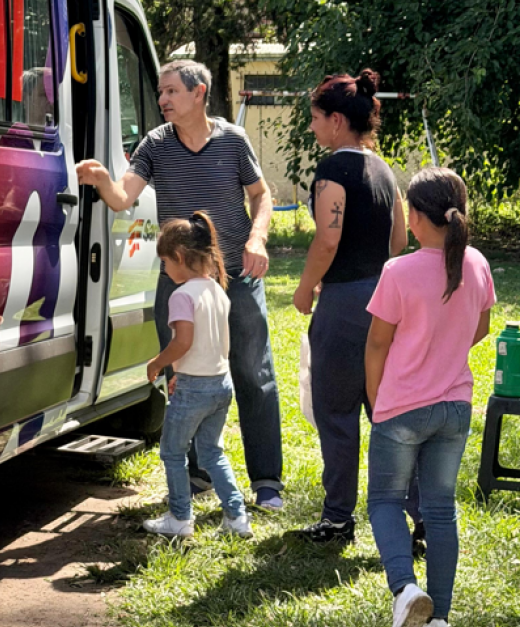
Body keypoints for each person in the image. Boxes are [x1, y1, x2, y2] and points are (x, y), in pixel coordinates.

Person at [76, 60, 284, 509]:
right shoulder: (155, 143)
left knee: (253, 373)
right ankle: (196, 475)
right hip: (181, 282)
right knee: (183, 375)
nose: (163, 100)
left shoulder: (232, 139)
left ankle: (267, 483)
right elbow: (121, 199)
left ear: (199, 93)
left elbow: (261, 195)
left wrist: (257, 237)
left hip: (238, 274)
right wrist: (100, 181)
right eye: (160, 92)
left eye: (171, 91)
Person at [365, 168, 494, 627]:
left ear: (416, 217)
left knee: (384, 502)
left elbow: (377, 343)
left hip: (401, 407)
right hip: (454, 407)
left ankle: (404, 591)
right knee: (440, 510)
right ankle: (439, 622)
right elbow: (478, 328)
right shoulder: (477, 264)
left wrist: (378, 404)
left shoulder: (398, 271)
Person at [292, 70, 407, 543]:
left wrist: (305, 289)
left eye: (316, 119)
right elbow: (399, 239)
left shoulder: (333, 169)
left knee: (337, 414)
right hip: (386, 299)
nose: (314, 128)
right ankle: (416, 518)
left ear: (337, 121)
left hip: (342, 306)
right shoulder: (383, 169)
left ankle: (338, 517)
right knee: (392, 412)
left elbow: (327, 238)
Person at [143, 211, 252, 538]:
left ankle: (179, 518)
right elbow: (208, 343)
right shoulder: (218, 290)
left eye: (164, 262)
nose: (164, 269)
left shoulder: (181, 295)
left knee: (173, 451)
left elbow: (184, 341)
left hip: (195, 390)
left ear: (178, 257)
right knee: (212, 452)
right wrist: (183, 372)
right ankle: (237, 517)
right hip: (220, 383)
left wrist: (158, 363)